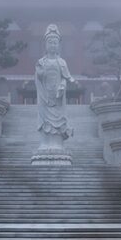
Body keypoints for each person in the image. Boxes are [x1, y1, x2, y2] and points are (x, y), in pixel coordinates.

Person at [35, 23, 73, 153]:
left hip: (58, 98)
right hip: (45, 97)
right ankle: (45, 143)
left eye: (55, 43)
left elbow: (66, 77)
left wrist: (63, 85)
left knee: (58, 121)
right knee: (46, 122)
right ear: (45, 45)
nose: (52, 45)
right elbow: (38, 79)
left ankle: (58, 144)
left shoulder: (62, 62)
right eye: (50, 43)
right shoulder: (41, 62)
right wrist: (40, 73)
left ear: (59, 45)